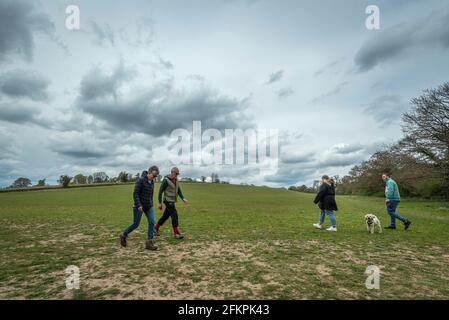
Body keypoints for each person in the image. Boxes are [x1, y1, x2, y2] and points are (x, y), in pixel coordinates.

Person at [120, 166, 159, 250]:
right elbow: (135, 194)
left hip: (148, 206)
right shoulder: (140, 180)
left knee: (152, 221)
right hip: (139, 206)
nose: (155, 178)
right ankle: (123, 235)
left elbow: (151, 194)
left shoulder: (152, 182)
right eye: (154, 175)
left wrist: (151, 203)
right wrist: (139, 205)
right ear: (149, 172)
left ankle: (149, 242)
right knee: (136, 224)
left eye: (156, 176)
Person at [154, 167, 188, 239]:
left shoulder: (176, 180)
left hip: (172, 201)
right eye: (176, 174)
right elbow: (160, 191)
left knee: (165, 216)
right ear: (172, 172)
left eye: (177, 174)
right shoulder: (166, 180)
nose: (177, 175)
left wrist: (183, 198)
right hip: (167, 200)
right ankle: (176, 233)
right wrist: (159, 202)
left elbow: (178, 191)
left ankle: (155, 228)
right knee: (174, 215)